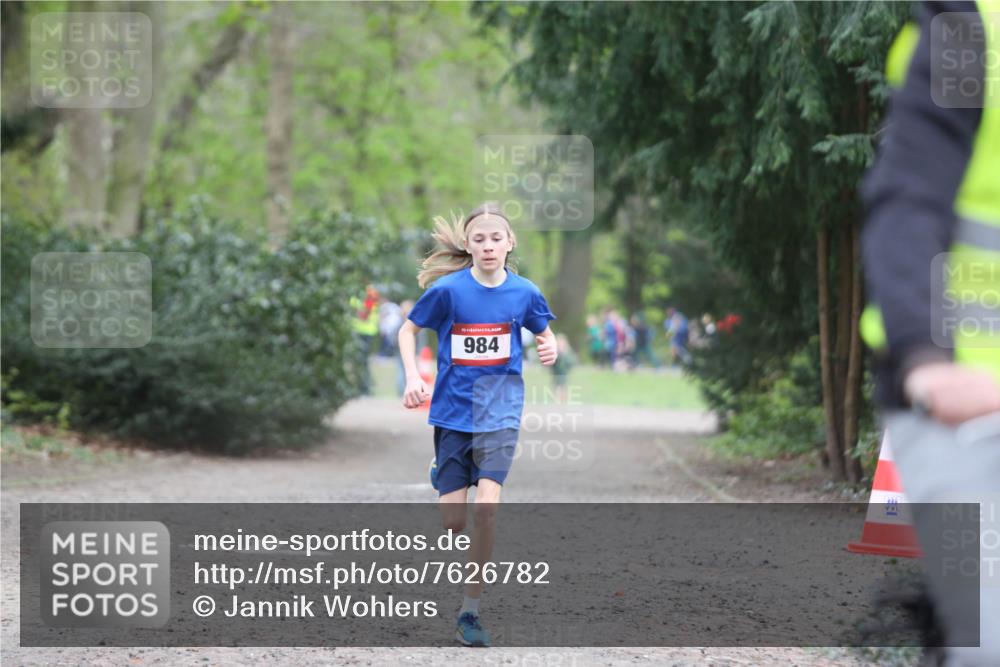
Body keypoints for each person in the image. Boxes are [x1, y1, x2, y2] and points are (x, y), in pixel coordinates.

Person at [860, 3, 999, 665]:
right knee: (989, 633)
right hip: (963, 403)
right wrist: (924, 357)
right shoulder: (970, 34)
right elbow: (908, 200)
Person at [398, 202, 558, 647]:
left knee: (486, 509)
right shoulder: (448, 291)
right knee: (453, 522)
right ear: (468, 246)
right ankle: (441, 470)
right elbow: (407, 331)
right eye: (479, 239)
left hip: (500, 412)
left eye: (496, 238)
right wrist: (414, 375)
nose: (488, 245)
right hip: (452, 412)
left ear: (510, 243)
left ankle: (470, 611)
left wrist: (551, 348)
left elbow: (544, 331)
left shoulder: (525, 292)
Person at [551, 332, 577, 403]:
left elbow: (570, 362)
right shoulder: (555, 351)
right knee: (556, 385)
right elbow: (552, 363)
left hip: (564, 373)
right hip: (556, 373)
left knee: (563, 386)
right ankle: (557, 400)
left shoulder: (567, 352)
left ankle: (564, 400)